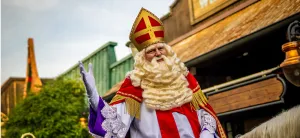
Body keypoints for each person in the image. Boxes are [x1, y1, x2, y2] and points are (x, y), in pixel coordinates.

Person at [79, 8, 226, 138]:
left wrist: (207, 131)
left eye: (160, 48)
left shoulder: (185, 79)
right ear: (142, 57)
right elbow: (115, 127)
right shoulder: (134, 83)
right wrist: (93, 95)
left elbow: (205, 113)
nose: (158, 53)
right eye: (151, 51)